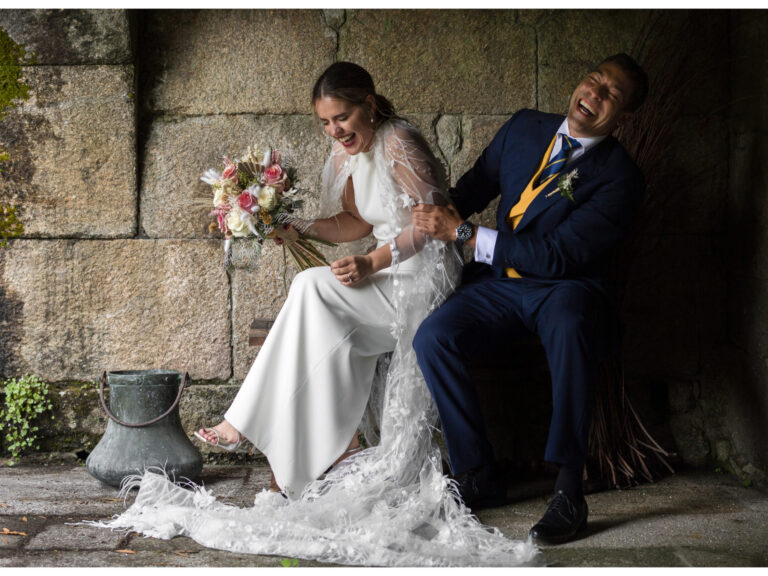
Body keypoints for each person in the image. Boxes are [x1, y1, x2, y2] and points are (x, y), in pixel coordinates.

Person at [97, 62, 537, 567]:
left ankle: (254, 429)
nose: (335, 131)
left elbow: (433, 224)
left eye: (343, 117)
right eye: (326, 122)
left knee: (313, 289)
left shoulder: (400, 143)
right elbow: (354, 222)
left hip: (422, 275)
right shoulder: (347, 151)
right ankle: (290, 450)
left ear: (369, 104)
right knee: (311, 289)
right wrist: (295, 225)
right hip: (385, 268)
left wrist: (373, 261)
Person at [412, 53, 649, 545]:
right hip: (499, 283)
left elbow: (560, 256)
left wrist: (464, 234)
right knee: (433, 335)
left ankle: (568, 490)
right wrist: (415, 207)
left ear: (624, 115)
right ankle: (478, 473)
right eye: (595, 81)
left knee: (570, 323)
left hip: (565, 288)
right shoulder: (524, 127)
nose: (596, 95)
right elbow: (470, 191)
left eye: (613, 95)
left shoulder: (621, 177)